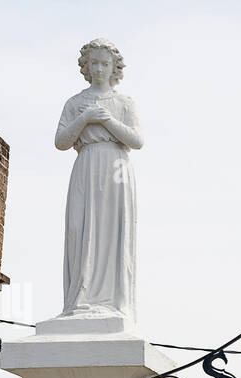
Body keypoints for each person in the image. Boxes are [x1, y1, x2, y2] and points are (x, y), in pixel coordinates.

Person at [54, 38, 144, 323]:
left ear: (114, 66)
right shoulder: (76, 102)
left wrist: (107, 121)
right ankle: (80, 299)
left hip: (116, 168)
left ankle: (115, 302)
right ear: (86, 65)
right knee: (80, 231)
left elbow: (137, 140)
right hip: (86, 165)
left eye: (106, 63)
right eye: (95, 63)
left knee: (111, 231)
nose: (100, 68)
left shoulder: (124, 102)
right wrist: (85, 119)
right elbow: (61, 142)